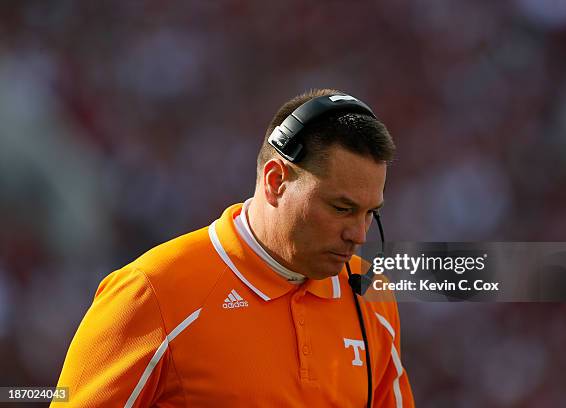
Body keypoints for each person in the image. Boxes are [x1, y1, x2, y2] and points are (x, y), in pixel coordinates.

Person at [52, 88, 415, 407]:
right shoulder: (153, 291)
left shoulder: (371, 296)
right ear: (276, 182)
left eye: (372, 213)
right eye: (342, 208)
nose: (359, 234)